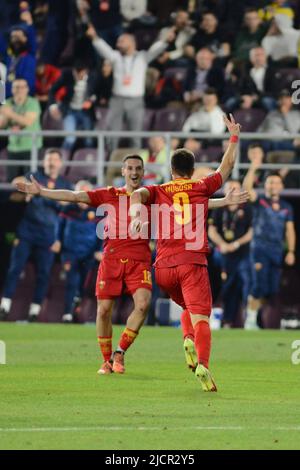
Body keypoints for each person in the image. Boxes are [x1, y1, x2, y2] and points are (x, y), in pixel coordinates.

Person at [15, 151, 248, 375]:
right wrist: (41, 191)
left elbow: (188, 205)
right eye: (130, 168)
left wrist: (222, 202)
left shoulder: (152, 195)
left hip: (140, 259)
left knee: (143, 304)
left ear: (143, 172)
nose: (134, 172)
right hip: (112, 257)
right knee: (104, 310)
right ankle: (105, 360)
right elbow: (75, 196)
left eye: (138, 168)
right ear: (123, 171)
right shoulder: (110, 194)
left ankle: (120, 352)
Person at [129, 114, 241, 392]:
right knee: (202, 315)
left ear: (172, 170)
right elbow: (227, 166)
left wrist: (134, 215)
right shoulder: (202, 187)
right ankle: (203, 364)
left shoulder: (159, 189)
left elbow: (137, 194)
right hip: (192, 262)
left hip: (163, 268)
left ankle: (187, 338)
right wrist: (234, 136)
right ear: (193, 170)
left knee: (188, 309)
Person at [0, 149, 72, 322]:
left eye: (55, 159)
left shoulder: (65, 183)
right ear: (44, 162)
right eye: (49, 159)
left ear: (60, 163)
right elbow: (16, 181)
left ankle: (35, 309)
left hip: (48, 235)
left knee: (44, 273)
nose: (51, 163)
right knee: (15, 268)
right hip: (27, 231)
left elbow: (67, 203)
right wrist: (25, 187)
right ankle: (5, 305)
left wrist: (58, 239)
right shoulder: (34, 176)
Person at [86, 24, 175, 149]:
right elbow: (104, 50)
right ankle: (110, 166)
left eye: (122, 41)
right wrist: (94, 38)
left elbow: (155, 50)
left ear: (132, 42)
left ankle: (136, 164)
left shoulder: (142, 57)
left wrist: (165, 40)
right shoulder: (116, 57)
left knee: (135, 135)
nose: (118, 43)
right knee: (112, 135)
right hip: (117, 100)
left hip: (136, 101)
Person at [243, 152, 296, 330]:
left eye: (276, 182)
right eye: (270, 181)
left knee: (271, 290)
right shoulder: (260, 201)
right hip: (259, 248)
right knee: (258, 286)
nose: (274, 185)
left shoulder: (286, 207)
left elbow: (289, 230)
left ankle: (255, 317)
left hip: (276, 251)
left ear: (281, 186)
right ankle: (249, 321)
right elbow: (247, 189)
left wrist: (290, 251)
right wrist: (253, 167)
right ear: (265, 185)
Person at [208, 179, 253, 328]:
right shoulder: (219, 208)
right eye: (230, 188)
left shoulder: (247, 208)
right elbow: (212, 230)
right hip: (222, 254)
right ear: (224, 190)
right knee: (221, 284)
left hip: (241, 254)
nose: (233, 191)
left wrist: (236, 244)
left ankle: (248, 318)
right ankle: (217, 317)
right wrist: (223, 245)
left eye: (236, 188)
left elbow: (252, 231)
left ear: (240, 190)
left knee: (246, 283)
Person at [57, 180, 102, 324]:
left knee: (83, 284)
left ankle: (76, 304)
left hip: (88, 254)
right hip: (70, 252)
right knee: (71, 281)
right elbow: (58, 228)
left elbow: (102, 233)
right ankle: (67, 315)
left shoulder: (97, 211)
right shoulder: (67, 209)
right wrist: (57, 241)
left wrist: (100, 250)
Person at [48, 62, 99, 151]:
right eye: (77, 74)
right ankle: (62, 158)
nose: (79, 76)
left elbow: (98, 93)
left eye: (82, 74)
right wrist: (53, 106)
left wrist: (92, 100)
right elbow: (52, 90)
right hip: (70, 111)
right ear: (74, 72)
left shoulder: (93, 77)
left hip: (86, 112)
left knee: (89, 139)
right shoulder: (67, 76)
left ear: (86, 72)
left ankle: (89, 160)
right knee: (70, 138)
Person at [0, 78, 42, 181]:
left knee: (30, 181)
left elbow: (27, 121)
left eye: (23, 87)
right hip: (13, 147)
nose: (20, 90)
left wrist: (10, 114)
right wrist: (5, 117)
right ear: (12, 89)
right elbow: (1, 124)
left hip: (31, 147)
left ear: (27, 89)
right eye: (16, 87)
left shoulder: (33, 103)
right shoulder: (8, 103)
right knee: (11, 181)